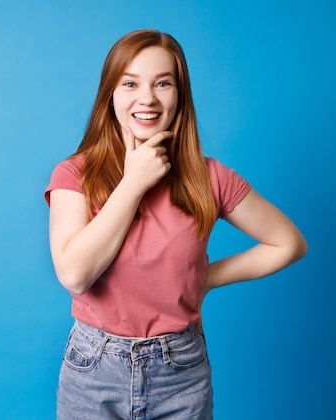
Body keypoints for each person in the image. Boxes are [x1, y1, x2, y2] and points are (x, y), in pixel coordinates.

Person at [44, 29, 307, 419]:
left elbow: (288, 242)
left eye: (162, 83)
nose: (146, 98)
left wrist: (209, 277)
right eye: (130, 83)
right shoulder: (74, 175)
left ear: (179, 95)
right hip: (94, 371)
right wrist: (133, 183)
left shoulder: (209, 177)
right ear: (110, 95)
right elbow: (75, 274)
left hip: (180, 372)